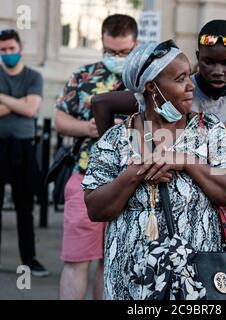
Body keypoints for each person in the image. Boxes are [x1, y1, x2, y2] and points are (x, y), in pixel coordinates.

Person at [81, 40, 226, 300]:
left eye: (189, 76)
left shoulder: (211, 131)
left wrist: (187, 161)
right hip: (131, 282)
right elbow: (95, 209)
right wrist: (134, 174)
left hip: (195, 280)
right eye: (180, 79)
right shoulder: (115, 140)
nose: (191, 85)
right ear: (152, 88)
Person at [92, 20, 226, 175]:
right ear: (198, 57)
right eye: (208, 61)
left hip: (218, 193)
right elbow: (102, 103)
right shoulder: (175, 90)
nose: (217, 71)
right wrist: (113, 161)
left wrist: (195, 163)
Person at [54, 14, 138, 300]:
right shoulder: (83, 76)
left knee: (112, 264)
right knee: (76, 261)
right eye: (110, 51)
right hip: (86, 177)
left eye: (124, 52)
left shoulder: (145, 80)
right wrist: (89, 127)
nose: (116, 57)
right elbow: (60, 120)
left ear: (135, 44)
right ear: (101, 43)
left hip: (131, 184)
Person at [0, 29, 48, 276]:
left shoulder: (33, 76)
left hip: (23, 147)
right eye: (3, 50)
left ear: (20, 48)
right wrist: (18, 101)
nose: (8, 53)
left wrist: (3, 99)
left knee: (24, 206)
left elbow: (31, 110)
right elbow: (26, 105)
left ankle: (29, 259)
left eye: (11, 48)